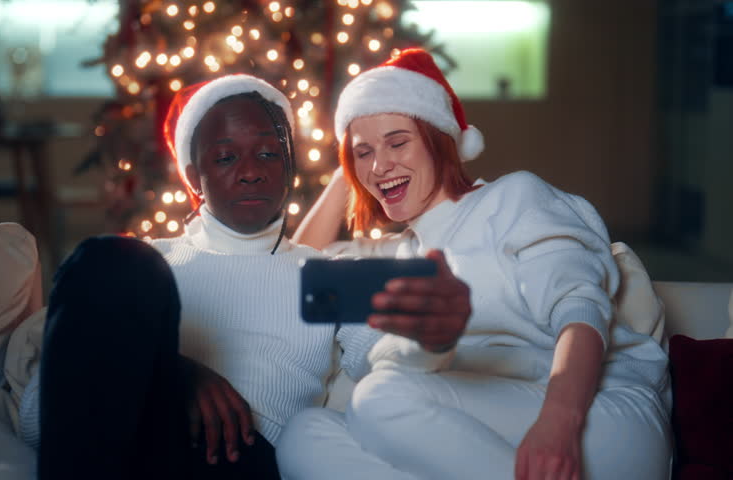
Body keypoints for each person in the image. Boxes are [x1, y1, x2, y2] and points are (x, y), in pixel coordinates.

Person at [17, 73, 464, 479]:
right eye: (227, 157)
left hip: (243, 462)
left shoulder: (324, 273)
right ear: (195, 177)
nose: (251, 172)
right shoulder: (144, 268)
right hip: (132, 450)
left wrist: (437, 334)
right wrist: (175, 373)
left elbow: (400, 357)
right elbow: (39, 423)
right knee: (113, 259)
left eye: (268, 154)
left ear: (289, 167)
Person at [276, 49, 672, 480]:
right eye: (363, 153)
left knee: (377, 398)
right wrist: (350, 163)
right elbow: (295, 269)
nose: (380, 164)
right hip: (484, 431)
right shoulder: (403, 255)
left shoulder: (514, 197)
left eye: (398, 142)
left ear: (440, 141)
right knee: (304, 433)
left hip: (594, 413)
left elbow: (580, 310)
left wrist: (558, 425)